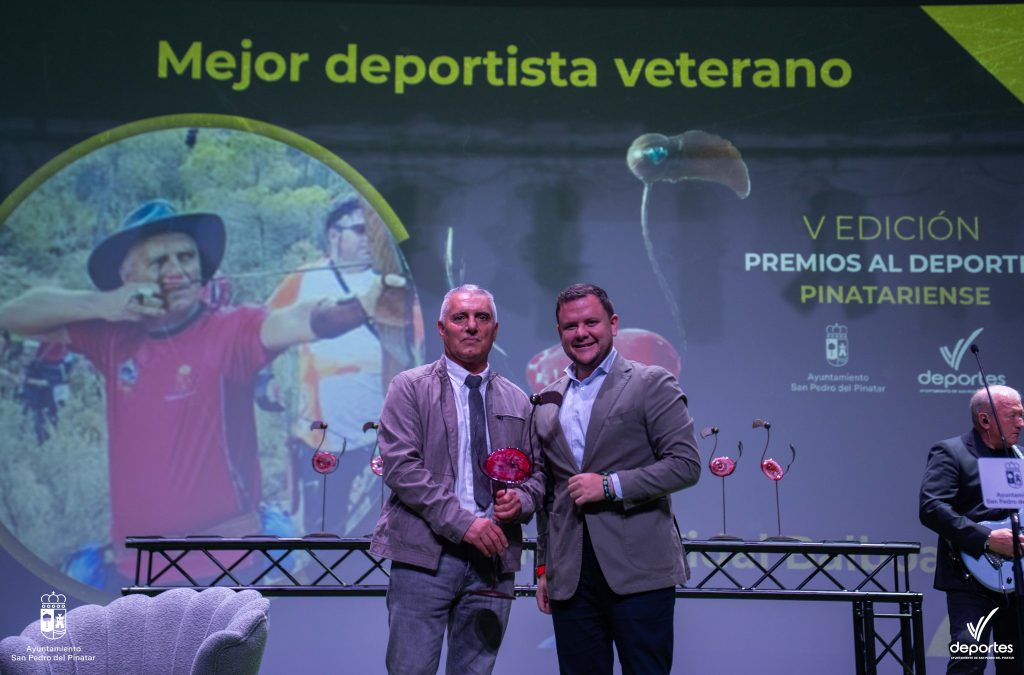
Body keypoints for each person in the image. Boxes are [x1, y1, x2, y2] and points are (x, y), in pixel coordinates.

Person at [0, 198, 376, 583]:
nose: (177, 270)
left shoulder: (232, 329)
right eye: (159, 262)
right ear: (128, 275)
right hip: (137, 566)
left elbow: (296, 320)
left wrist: (365, 304)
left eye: (186, 257)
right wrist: (102, 304)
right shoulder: (113, 337)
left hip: (226, 563)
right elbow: (12, 314)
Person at [370, 284, 544, 675]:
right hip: (424, 556)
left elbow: (538, 477)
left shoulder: (519, 401)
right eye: (460, 317)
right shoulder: (409, 388)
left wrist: (522, 501)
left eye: (482, 317)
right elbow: (401, 467)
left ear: (495, 330)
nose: (471, 326)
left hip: (492, 560)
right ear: (441, 328)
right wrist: (463, 524)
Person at [531, 282, 701, 675]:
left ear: (613, 324)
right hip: (570, 575)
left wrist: (609, 486)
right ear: (559, 333)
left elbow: (685, 464)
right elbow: (550, 495)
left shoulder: (651, 382)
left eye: (591, 322)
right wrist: (543, 569)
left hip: (639, 570)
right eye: (570, 326)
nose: (581, 333)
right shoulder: (547, 399)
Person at [267, 196, 422, 536]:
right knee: (323, 527)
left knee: (376, 526)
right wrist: (265, 382)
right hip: (320, 434)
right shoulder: (304, 279)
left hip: (379, 435)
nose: (369, 240)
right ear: (334, 234)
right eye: (359, 231)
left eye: (373, 233)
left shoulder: (392, 282)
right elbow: (264, 329)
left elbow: (418, 343)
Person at [920, 385, 1024, 674]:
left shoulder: (1020, 459)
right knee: (968, 662)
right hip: (970, 580)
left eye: (1022, 415)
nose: (1021, 423)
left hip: (1019, 580)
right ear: (985, 420)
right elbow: (932, 508)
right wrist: (987, 538)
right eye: (1013, 415)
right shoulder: (951, 452)